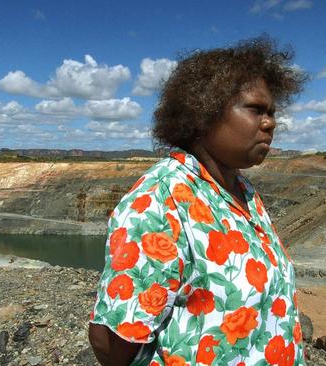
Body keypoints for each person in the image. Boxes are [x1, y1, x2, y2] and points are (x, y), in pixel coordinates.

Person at [89, 36, 307, 366]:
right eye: (256, 110)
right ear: (204, 112)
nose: (270, 122)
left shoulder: (242, 190)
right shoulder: (161, 200)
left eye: (272, 112)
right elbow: (113, 344)